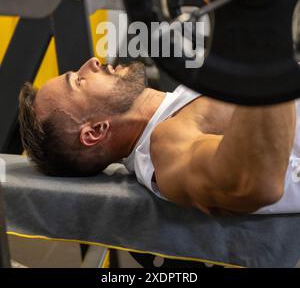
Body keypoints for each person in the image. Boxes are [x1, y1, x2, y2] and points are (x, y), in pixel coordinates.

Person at [18, 57, 300, 216]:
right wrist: (265, 38)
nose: (91, 62)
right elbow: (256, 183)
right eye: (78, 81)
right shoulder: (165, 148)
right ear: (95, 132)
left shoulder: (181, 107)